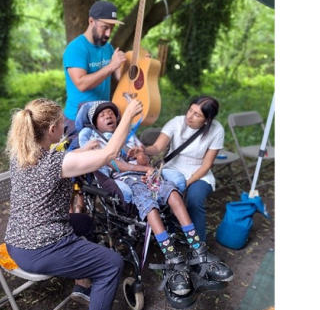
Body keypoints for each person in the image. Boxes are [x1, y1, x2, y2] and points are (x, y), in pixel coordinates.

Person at [4, 97, 143, 310]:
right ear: (51, 130)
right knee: (112, 263)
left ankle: (83, 285)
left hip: (17, 241)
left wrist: (78, 151)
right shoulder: (57, 163)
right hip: (41, 249)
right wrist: (129, 116)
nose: (64, 127)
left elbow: (59, 159)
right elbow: (109, 154)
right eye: (61, 124)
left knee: (83, 222)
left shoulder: (22, 154)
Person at [79, 101, 233, 297]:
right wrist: (145, 168)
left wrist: (141, 155)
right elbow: (118, 166)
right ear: (94, 123)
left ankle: (197, 248)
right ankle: (171, 254)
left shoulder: (128, 136)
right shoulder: (95, 142)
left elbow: (145, 160)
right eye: (102, 115)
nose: (108, 116)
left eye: (111, 113)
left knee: (173, 194)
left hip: (149, 175)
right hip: (128, 180)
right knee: (150, 206)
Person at [129, 95, 224, 244]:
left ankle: (199, 247)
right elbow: (157, 148)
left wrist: (187, 183)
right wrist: (143, 150)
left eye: (197, 114)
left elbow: (207, 165)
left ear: (207, 120)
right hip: (173, 167)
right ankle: (170, 237)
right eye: (190, 110)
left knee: (194, 200)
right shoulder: (176, 123)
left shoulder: (217, 130)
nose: (190, 116)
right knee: (168, 197)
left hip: (199, 172)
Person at [63, 0, 126, 137]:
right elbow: (81, 84)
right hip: (79, 120)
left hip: (103, 119)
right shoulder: (76, 49)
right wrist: (111, 66)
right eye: (105, 27)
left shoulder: (107, 48)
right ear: (91, 21)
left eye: (112, 28)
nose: (108, 34)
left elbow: (121, 78)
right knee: (83, 158)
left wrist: (142, 63)